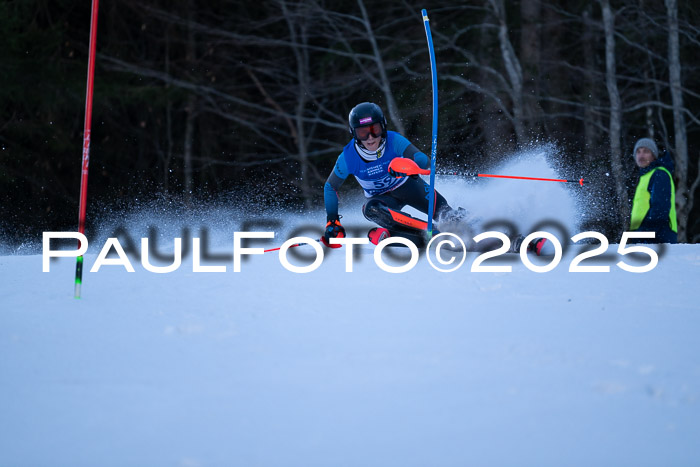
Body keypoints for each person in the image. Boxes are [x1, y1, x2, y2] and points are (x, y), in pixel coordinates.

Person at [321, 101, 549, 254]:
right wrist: (333, 220)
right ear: (354, 134)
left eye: (375, 130)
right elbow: (330, 187)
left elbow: (423, 162)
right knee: (371, 210)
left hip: (410, 187)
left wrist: (408, 166)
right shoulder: (348, 157)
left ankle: (516, 240)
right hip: (383, 201)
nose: (371, 138)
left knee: (448, 215)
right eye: (363, 133)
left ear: (383, 127)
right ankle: (427, 235)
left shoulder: (394, 141)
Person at [629, 137, 678, 243]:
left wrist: (648, 233)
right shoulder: (645, 176)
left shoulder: (659, 174)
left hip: (659, 234)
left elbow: (660, 206)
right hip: (645, 233)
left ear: (654, 155)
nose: (641, 155)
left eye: (646, 151)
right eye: (638, 152)